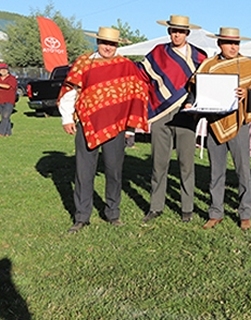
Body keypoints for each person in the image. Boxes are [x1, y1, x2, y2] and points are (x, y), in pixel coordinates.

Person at [58, 27, 149, 232]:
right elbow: (71, 90)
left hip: (116, 127)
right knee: (84, 171)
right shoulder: (84, 62)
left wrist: (130, 128)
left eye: (113, 44)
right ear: (98, 42)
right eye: (105, 43)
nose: (108, 47)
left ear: (118, 45)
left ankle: (112, 213)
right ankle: (81, 216)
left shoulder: (126, 66)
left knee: (114, 170)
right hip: (87, 124)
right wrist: (66, 118)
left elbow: (136, 96)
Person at [139, 15, 207, 223]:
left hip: (185, 114)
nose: (176, 34)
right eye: (173, 31)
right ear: (169, 32)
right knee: (159, 163)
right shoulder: (158, 52)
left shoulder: (199, 56)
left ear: (187, 33)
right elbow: (142, 76)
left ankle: (187, 208)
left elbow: (203, 83)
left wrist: (193, 101)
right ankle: (156, 205)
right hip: (161, 113)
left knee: (186, 163)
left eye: (180, 31)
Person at [195, 27, 251, 230]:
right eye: (229, 43)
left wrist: (247, 94)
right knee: (216, 171)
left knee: (243, 170)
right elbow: (196, 87)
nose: (233, 47)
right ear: (219, 44)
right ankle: (215, 212)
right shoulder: (208, 65)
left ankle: (245, 213)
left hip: (239, 123)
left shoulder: (249, 65)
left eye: (236, 43)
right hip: (215, 124)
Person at [0, 63, 17, 137]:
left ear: (7, 70)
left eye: (5, 69)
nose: (3, 71)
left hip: (9, 101)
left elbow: (8, 86)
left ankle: (1, 132)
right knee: (6, 117)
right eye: (1, 69)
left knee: (5, 116)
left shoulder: (12, 78)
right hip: (0, 100)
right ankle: (8, 132)